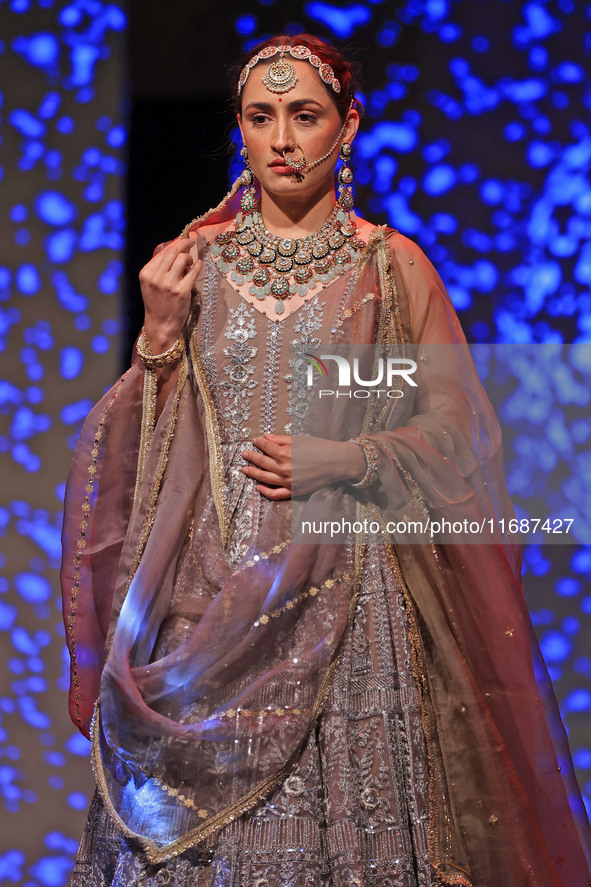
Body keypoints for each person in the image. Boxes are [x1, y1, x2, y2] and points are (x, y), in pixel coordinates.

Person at [61, 33, 591, 887]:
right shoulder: (195, 265)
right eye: (260, 117)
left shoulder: (388, 267)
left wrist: (341, 456)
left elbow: (459, 437)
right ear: (237, 129)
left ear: (347, 126)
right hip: (207, 593)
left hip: (350, 599)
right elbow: (133, 453)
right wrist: (157, 338)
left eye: (304, 116)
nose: (280, 140)